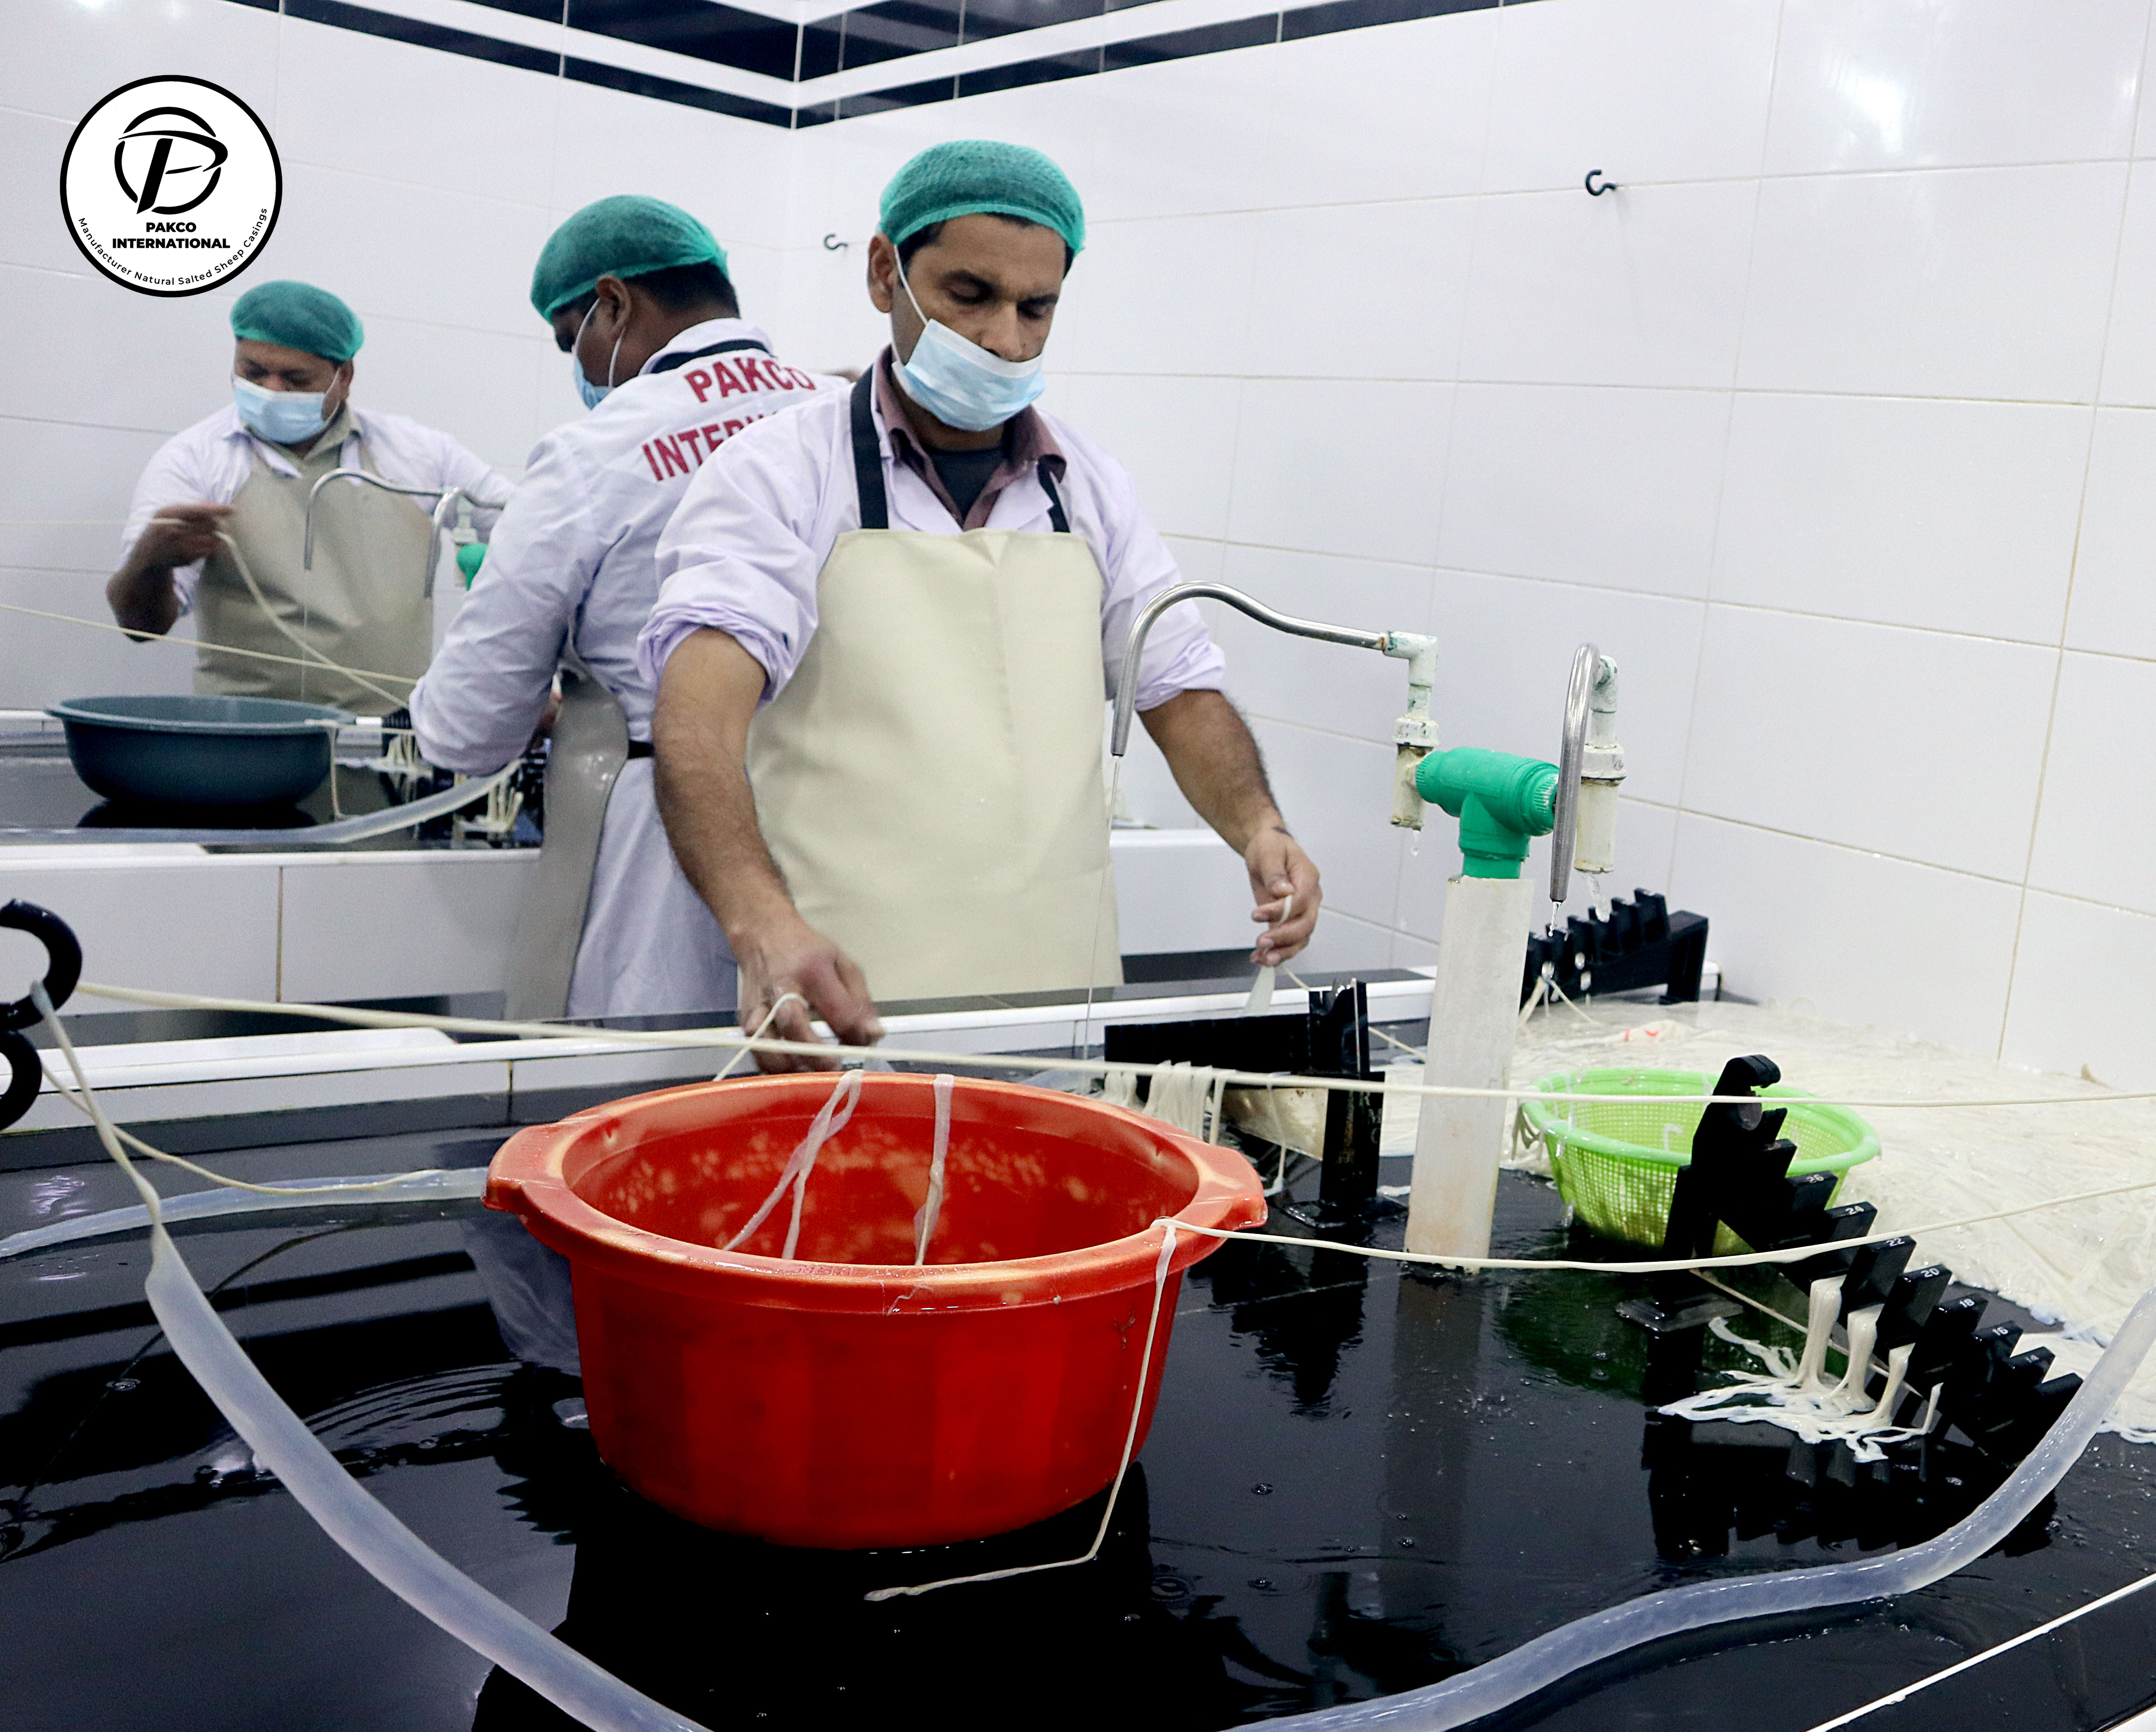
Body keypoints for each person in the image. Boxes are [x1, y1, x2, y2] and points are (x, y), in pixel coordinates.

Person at [641, 140, 1321, 1058]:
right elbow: (697, 720)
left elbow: (1176, 685)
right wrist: (759, 923)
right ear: (886, 274)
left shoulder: (1086, 488)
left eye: (1036, 308)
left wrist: (1260, 828)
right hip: (841, 1002)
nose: (1006, 339)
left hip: (1058, 1003)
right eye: (970, 296)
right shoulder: (780, 474)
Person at [408, 196, 830, 1018]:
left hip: (660, 843)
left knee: (664, 1107)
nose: (579, 362)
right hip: (842, 822)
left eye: (574, 340)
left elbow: (466, 726)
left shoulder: (595, 452)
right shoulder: (846, 415)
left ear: (615, 303)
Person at [108, 279, 509, 712]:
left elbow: (530, 528)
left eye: (296, 380)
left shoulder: (420, 456)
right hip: (246, 746)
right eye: (253, 372)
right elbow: (141, 627)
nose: (272, 392)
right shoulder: (196, 460)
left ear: (345, 377)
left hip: (392, 750)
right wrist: (150, 561)